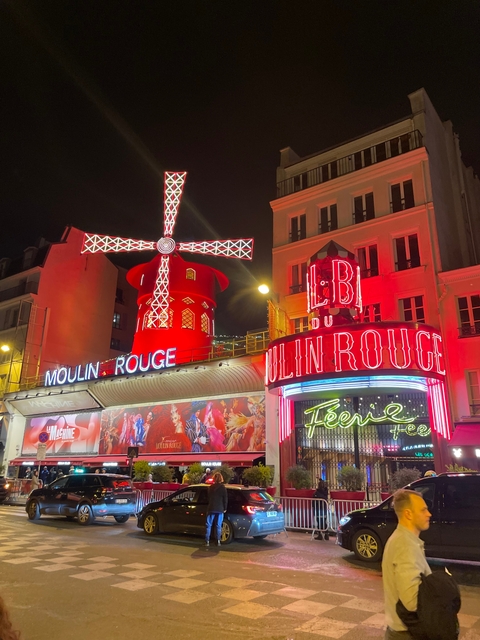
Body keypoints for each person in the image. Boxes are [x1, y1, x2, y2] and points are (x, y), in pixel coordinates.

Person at [382, 489, 432, 640]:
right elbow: (412, 602)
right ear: (408, 514)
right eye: (423, 510)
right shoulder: (405, 546)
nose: (429, 514)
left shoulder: (404, 540)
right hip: (406, 634)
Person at [205, 472, 228, 548]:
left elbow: (208, 498)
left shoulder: (210, 487)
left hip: (211, 508)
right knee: (218, 526)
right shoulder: (223, 488)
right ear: (221, 478)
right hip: (220, 509)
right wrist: (225, 508)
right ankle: (218, 541)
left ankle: (207, 541)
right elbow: (225, 499)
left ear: (214, 478)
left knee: (209, 525)